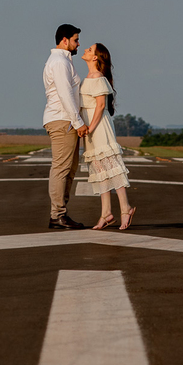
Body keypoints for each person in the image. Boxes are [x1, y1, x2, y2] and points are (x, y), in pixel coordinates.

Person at [79, 43, 136, 230]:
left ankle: (125, 208)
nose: (85, 50)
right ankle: (106, 213)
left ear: (95, 57)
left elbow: (101, 105)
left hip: (99, 126)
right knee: (99, 169)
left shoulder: (98, 77)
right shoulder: (88, 77)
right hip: (91, 128)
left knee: (111, 166)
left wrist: (90, 127)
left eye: (89, 49)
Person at [42, 24, 88, 230]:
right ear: (64, 40)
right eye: (76, 40)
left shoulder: (63, 61)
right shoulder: (60, 62)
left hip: (65, 119)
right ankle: (57, 215)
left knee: (69, 169)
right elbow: (65, 95)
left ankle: (61, 213)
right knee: (61, 168)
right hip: (63, 120)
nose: (78, 44)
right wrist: (78, 122)